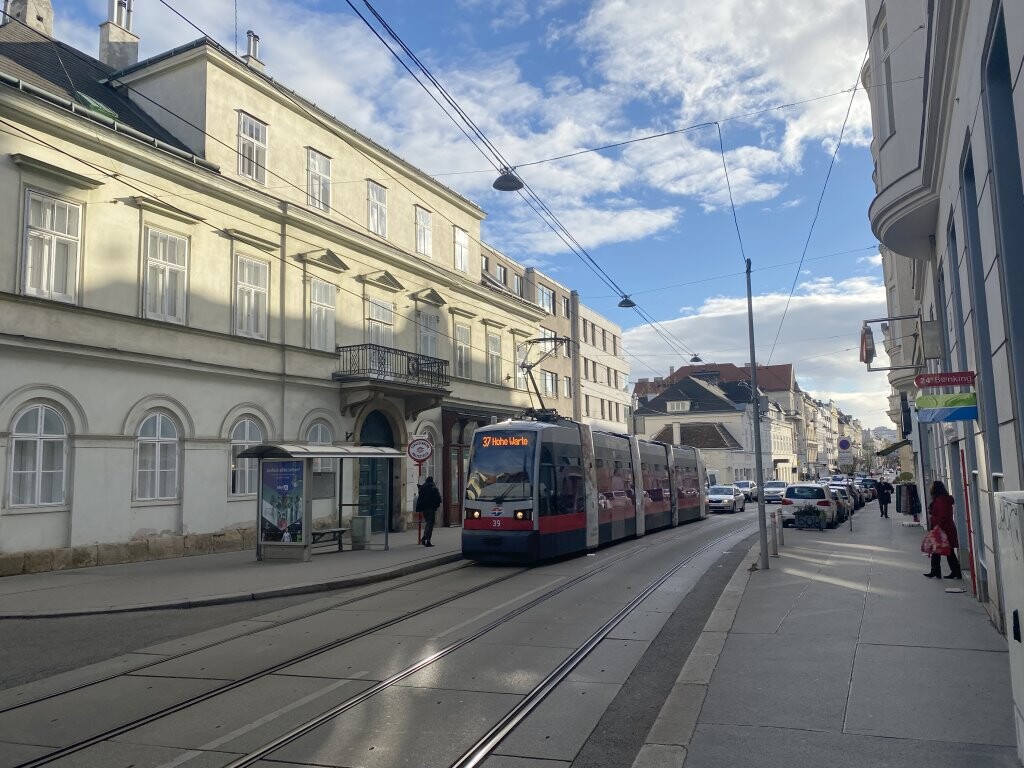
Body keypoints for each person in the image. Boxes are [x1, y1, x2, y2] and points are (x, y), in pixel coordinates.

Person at [924, 480, 962, 579]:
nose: (930, 488)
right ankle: (943, 571)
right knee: (942, 551)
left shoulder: (941, 500)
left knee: (945, 551)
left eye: (931, 487)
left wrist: (934, 523)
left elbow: (942, 516)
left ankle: (949, 571)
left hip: (943, 529)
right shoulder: (942, 499)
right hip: (945, 528)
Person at [415, 476, 442, 547]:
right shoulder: (433, 487)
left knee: (428, 524)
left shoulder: (422, 488)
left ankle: (424, 538)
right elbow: (438, 498)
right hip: (431, 509)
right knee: (430, 525)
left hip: (424, 509)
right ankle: (427, 540)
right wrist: (436, 505)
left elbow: (419, 498)